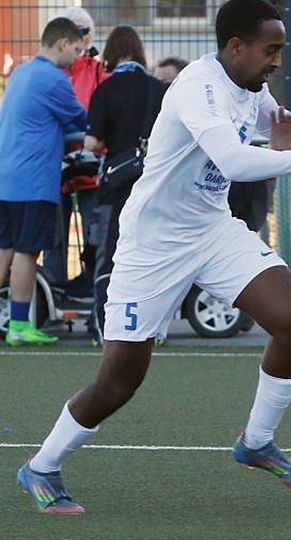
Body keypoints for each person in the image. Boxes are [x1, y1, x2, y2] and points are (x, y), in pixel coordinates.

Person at [16, 0, 291, 514]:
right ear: (236, 46)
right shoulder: (198, 86)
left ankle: (256, 442)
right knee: (120, 379)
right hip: (152, 246)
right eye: (271, 50)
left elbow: (289, 124)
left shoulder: (250, 86)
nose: (277, 61)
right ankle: (41, 466)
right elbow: (235, 161)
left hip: (212, 231)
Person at [0, 18, 87, 346]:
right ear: (63, 42)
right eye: (77, 49)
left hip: (6, 178)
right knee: (25, 252)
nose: (78, 57)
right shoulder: (53, 79)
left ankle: (18, 324)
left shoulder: (21, 72)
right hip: (32, 181)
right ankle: (19, 326)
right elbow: (84, 121)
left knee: (4, 248)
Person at [84, 25, 167, 346]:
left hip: (116, 187)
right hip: (154, 185)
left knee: (111, 255)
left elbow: (92, 142)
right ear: (138, 52)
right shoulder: (157, 90)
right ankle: (150, 328)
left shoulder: (105, 91)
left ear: (112, 54)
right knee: (150, 256)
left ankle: (105, 327)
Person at [44, 6, 108, 289]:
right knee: (54, 236)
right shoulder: (52, 71)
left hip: (90, 165)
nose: (80, 38)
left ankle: (93, 292)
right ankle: (54, 290)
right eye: (73, 31)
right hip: (54, 167)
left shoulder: (98, 71)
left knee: (95, 233)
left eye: (84, 31)